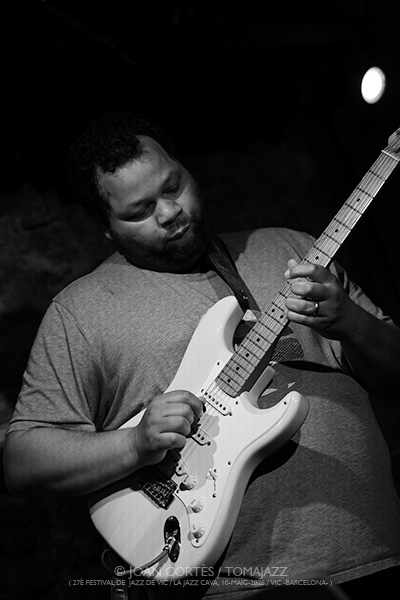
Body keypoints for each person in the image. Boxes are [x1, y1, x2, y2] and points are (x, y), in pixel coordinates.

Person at [3, 111, 400, 599]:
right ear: (105, 227)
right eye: (139, 210)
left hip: (378, 553)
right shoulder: (81, 311)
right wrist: (134, 444)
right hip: (234, 587)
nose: (169, 212)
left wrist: (352, 324)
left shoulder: (293, 248)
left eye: (173, 186)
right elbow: (22, 463)